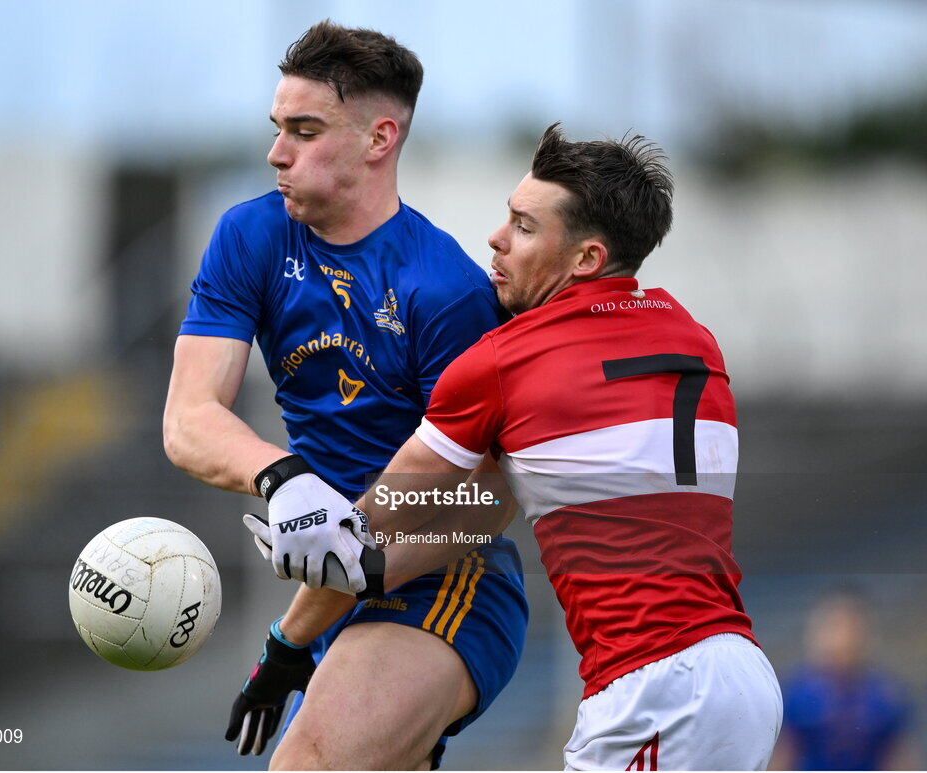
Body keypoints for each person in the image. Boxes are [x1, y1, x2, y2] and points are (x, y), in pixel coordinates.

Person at [253, 124, 784, 770]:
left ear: (585, 259)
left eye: (524, 227)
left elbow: (385, 507)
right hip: (739, 672)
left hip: (656, 683)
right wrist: (367, 565)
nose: (495, 239)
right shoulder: (692, 334)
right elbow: (503, 491)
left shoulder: (506, 361)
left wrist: (309, 527)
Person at [162, 20, 527, 770]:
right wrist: (283, 478)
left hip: (440, 581)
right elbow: (188, 420)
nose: (277, 153)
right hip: (335, 582)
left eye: (305, 130)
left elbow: (489, 500)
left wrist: (311, 609)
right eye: (277, 128)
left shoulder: (446, 289)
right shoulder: (252, 236)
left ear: (378, 138)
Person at [772, 588, 917, 770]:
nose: (843, 638)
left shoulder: (889, 696)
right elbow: (781, 757)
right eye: (834, 626)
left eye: (851, 627)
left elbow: (900, 759)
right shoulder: (794, 693)